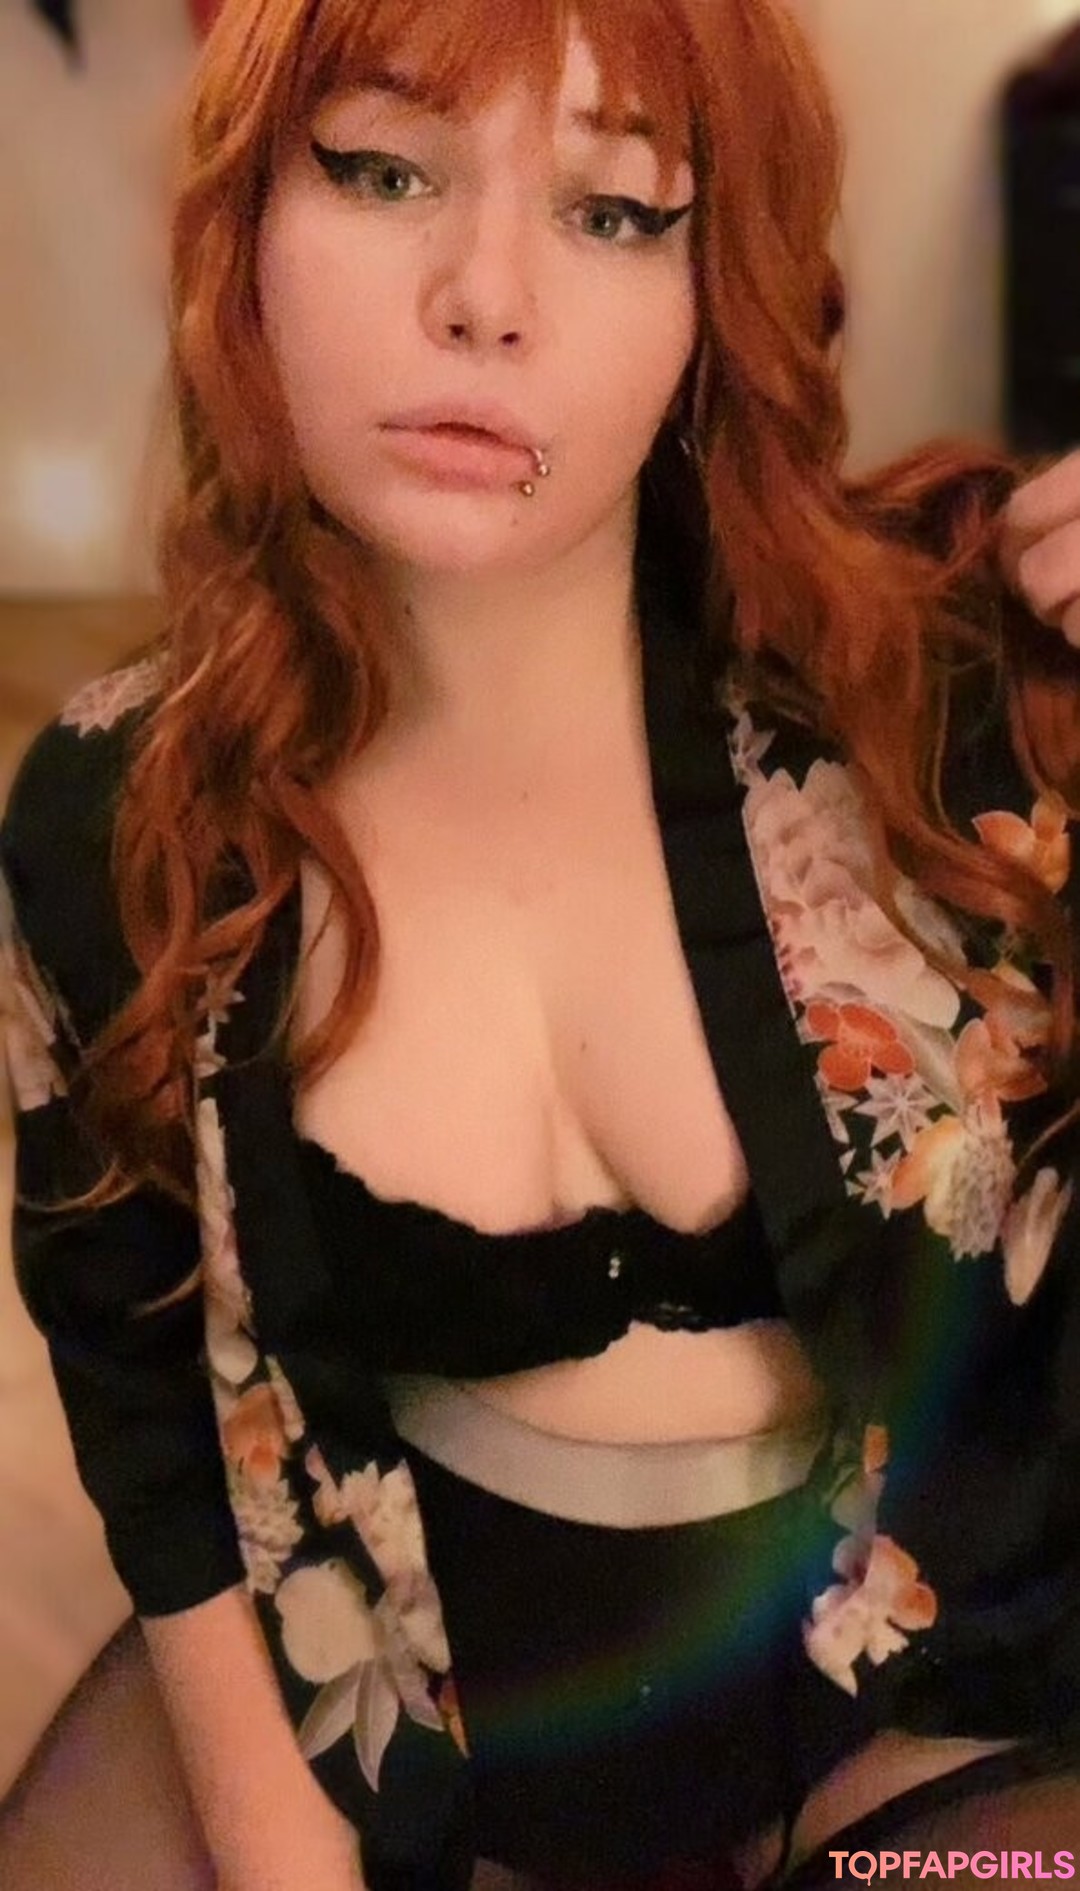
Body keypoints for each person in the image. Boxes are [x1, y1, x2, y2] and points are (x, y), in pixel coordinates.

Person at [2, 1, 1080, 1887]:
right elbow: (152, 1406)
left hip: (942, 1699)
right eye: (382, 171)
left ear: (713, 299)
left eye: (612, 212)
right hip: (398, 1673)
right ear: (244, 230)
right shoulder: (126, 819)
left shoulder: (953, 715)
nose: (484, 298)